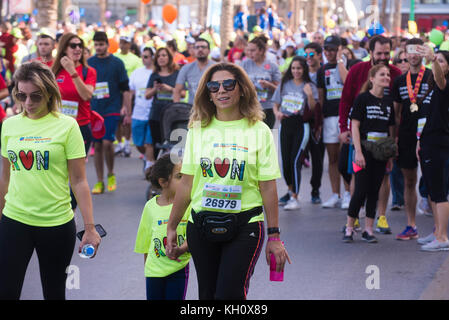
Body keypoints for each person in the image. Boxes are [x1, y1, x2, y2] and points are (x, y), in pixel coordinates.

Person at [166, 63, 291, 300]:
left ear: (242, 89)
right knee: (208, 295)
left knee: (229, 295)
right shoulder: (198, 130)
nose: (221, 90)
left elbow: (268, 186)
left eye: (228, 84)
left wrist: (274, 236)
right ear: (208, 94)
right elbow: (186, 183)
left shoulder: (260, 130)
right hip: (200, 224)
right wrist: (172, 226)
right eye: (214, 86)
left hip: (246, 224)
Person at [0, 61, 101, 300]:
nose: (28, 103)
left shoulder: (67, 126)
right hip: (15, 220)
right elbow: (5, 176)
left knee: (54, 293)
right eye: (21, 95)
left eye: (35, 96)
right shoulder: (9, 125)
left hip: (56, 223)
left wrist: (90, 228)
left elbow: (79, 181)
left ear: (49, 93)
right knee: (6, 292)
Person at [339, 35, 402, 235]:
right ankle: (354, 220)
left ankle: (380, 218)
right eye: (379, 53)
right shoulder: (358, 71)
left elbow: (397, 112)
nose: (383, 57)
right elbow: (346, 100)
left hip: (384, 142)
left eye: (386, 53)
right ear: (370, 52)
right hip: (360, 140)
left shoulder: (396, 73)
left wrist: (395, 141)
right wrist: (344, 128)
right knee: (358, 178)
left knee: (383, 179)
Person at [343, 64, 395, 243]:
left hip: (381, 153)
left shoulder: (389, 101)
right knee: (360, 190)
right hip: (361, 151)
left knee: (374, 190)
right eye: (382, 74)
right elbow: (354, 126)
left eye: (388, 75)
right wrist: (358, 151)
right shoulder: (363, 99)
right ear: (372, 79)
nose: (386, 77)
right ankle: (349, 228)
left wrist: (390, 155)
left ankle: (368, 230)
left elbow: (390, 129)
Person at [393, 38, 433, 241]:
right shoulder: (400, 81)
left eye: (418, 51)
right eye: (410, 51)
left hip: (430, 135)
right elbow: (396, 114)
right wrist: (395, 140)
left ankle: (438, 229)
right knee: (409, 181)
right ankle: (411, 225)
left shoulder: (432, 76)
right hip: (408, 136)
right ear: (405, 54)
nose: (414, 55)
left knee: (433, 182)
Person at [134, 154, 190, 300]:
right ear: (163, 182)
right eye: (179, 176)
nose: (185, 181)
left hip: (178, 269)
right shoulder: (150, 207)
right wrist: (148, 270)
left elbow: (193, 237)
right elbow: (145, 244)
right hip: (153, 272)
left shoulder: (188, 206)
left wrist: (182, 249)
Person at [52, 33, 97, 210]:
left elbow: (87, 95)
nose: (77, 48)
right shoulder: (54, 71)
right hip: (57, 128)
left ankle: (69, 212)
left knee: (76, 176)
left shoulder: (88, 71)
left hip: (81, 128)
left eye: (80, 45)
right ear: (64, 48)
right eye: (73, 45)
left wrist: (72, 72)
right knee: (58, 172)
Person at [273, 56, 318, 210]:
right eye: (293, 68)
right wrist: (277, 112)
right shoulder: (284, 85)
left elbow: (313, 109)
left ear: (304, 69)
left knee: (295, 160)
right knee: (285, 162)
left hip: (301, 125)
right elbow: (276, 104)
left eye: (299, 68)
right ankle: (290, 190)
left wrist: (310, 94)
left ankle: (295, 197)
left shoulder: (309, 85)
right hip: (286, 124)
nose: (296, 71)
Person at [88, 31, 130, 194]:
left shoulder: (117, 63)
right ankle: (99, 181)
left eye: (101, 44)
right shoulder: (89, 62)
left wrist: (127, 110)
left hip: (112, 107)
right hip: (94, 108)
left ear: (107, 44)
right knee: (97, 145)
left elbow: (125, 89)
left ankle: (111, 173)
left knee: (107, 143)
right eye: (96, 45)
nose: (98, 48)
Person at [416, 49, 449, 251]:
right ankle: (438, 232)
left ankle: (443, 237)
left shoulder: (444, 84)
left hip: (439, 143)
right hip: (428, 141)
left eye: (442, 61)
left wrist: (432, 60)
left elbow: (440, 79)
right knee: (432, 192)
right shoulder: (433, 88)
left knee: (439, 193)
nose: (438, 63)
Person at [317, 35, 351, 210]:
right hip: (329, 116)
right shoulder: (321, 70)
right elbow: (321, 96)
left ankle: (348, 192)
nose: (328, 53)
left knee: (344, 157)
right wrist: (320, 121)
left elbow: (347, 81)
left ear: (339, 49)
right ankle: (335, 193)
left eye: (332, 49)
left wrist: (340, 60)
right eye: (326, 49)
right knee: (332, 158)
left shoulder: (350, 63)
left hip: (345, 116)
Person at [145, 47, 182, 159]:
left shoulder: (177, 73)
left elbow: (183, 93)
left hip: (172, 114)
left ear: (169, 57)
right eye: (159, 56)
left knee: (172, 143)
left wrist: (169, 89)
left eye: (164, 55)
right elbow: (147, 95)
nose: (161, 58)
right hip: (156, 114)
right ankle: (156, 169)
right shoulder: (154, 75)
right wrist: (155, 89)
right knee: (157, 143)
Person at [241, 35, 281, 129]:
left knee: (268, 135)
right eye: (248, 50)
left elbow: (279, 90)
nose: (250, 53)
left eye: (253, 50)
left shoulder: (272, 66)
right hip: (250, 106)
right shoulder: (245, 64)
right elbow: (239, 85)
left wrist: (269, 85)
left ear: (261, 51)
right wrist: (250, 87)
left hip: (268, 107)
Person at [303, 42, 326, 205]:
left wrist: (321, 122)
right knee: (295, 156)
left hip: (318, 118)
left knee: (317, 157)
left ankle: (315, 190)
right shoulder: (301, 72)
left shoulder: (324, 72)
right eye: (306, 55)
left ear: (319, 55)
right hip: (302, 118)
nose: (308, 58)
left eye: (312, 55)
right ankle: (292, 191)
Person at [114, 36, 143, 157]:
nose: (123, 45)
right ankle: (119, 143)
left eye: (126, 43)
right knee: (117, 119)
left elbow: (137, 76)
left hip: (129, 93)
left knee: (127, 119)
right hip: (116, 92)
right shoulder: (115, 57)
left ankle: (126, 143)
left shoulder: (136, 60)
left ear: (130, 44)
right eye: (121, 43)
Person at [128, 47, 155, 173]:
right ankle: (147, 157)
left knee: (149, 142)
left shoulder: (156, 73)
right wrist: (127, 110)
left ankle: (150, 163)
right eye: (142, 56)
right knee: (139, 143)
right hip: (138, 112)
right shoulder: (137, 72)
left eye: (146, 56)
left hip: (152, 112)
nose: (143, 59)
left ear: (152, 57)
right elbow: (130, 93)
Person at [173, 38, 215, 105]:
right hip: (192, 108)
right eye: (197, 47)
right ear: (193, 50)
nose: (200, 49)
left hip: (213, 108)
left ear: (209, 51)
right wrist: (176, 109)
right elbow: (177, 90)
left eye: (203, 47)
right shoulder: (186, 68)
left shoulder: (216, 67)